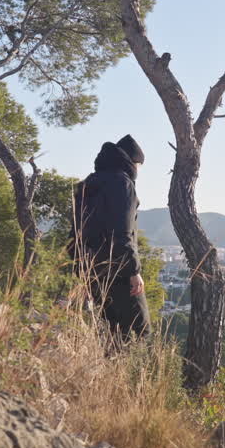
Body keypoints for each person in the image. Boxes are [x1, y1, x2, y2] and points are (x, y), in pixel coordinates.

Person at [67, 135, 152, 340]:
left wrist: (82, 269)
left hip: (90, 268)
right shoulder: (123, 184)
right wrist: (134, 271)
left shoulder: (90, 182)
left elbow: (75, 232)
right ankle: (132, 371)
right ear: (132, 162)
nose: (138, 171)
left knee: (110, 328)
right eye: (139, 165)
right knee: (141, 331)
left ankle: (108, 368)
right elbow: (122, 232)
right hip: (119, 270)